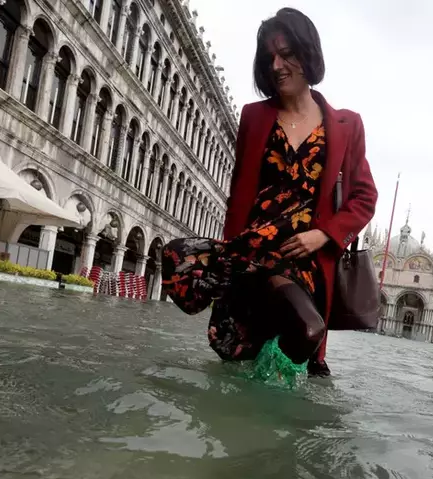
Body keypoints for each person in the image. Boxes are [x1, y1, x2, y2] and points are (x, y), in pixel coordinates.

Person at [161, 8, 377, 378]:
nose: (277, 65)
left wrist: (322, 234)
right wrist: (232, 251)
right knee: (177, 257)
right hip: (254, 247)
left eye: (287, 53)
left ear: (308, 53)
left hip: (303, 253)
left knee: (306, 330)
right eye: (269, 57)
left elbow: (364, 196)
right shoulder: (254, 116)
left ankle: (286, 384)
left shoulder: (346, 124)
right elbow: (241, 191)